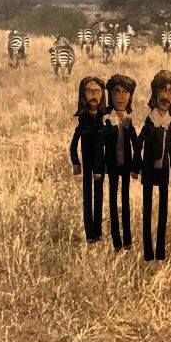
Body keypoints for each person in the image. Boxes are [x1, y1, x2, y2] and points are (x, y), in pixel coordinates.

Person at [139, 70, 171, 262]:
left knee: (163, 211)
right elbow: (138, 144)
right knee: (147, 210)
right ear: (155, 94)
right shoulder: (149, 122)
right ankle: (148, 251)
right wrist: (134, 167)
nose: (167, 96)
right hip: (147, 170)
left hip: (163, 172)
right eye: (163, 90)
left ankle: (160, 252)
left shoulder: (170, 124)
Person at [101, 74, 138, 251]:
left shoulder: (129, 122)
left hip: (127, 165)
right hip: (112, 166)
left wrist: (136, 167)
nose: (121, 96)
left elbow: (136, 145)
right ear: (110, 94)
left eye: (125, 92)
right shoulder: (107, 121)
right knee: (113, 202)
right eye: (117, 92)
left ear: (130, 96)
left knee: (125, 201)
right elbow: (100, 145)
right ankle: (116, 241)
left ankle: (128, 239)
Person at [70, 76, 107, 244]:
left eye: (97, 91)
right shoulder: (82, 122)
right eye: (90, 91)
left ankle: (98, 231)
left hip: (101, 163)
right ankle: (90, 234)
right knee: (87, 195)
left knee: (98, 195)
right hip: (86, 164)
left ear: (102, 95)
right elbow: (73, 144)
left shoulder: (104, 121)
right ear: (83, 95)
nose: (93, 95)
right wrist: (76, 162)